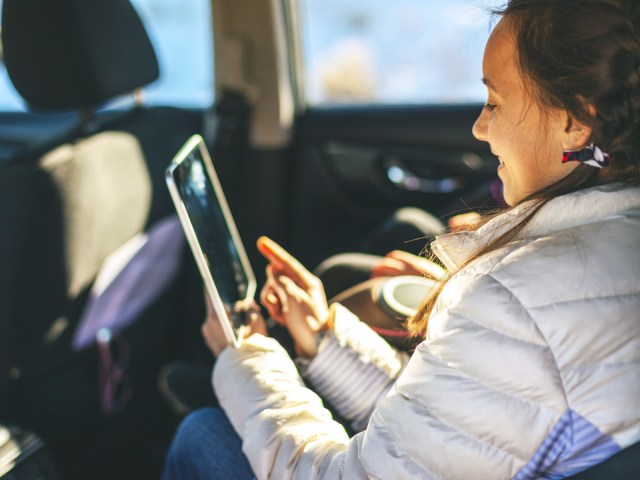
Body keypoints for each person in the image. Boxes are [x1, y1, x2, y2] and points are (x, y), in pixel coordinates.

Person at [163, 0, 640, 478]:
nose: (480, 127)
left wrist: (247, 358)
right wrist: (324, 341)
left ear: (576, 121)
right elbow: (458, 431)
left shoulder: (519, 304)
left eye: (495, 102)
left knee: (202, 434)